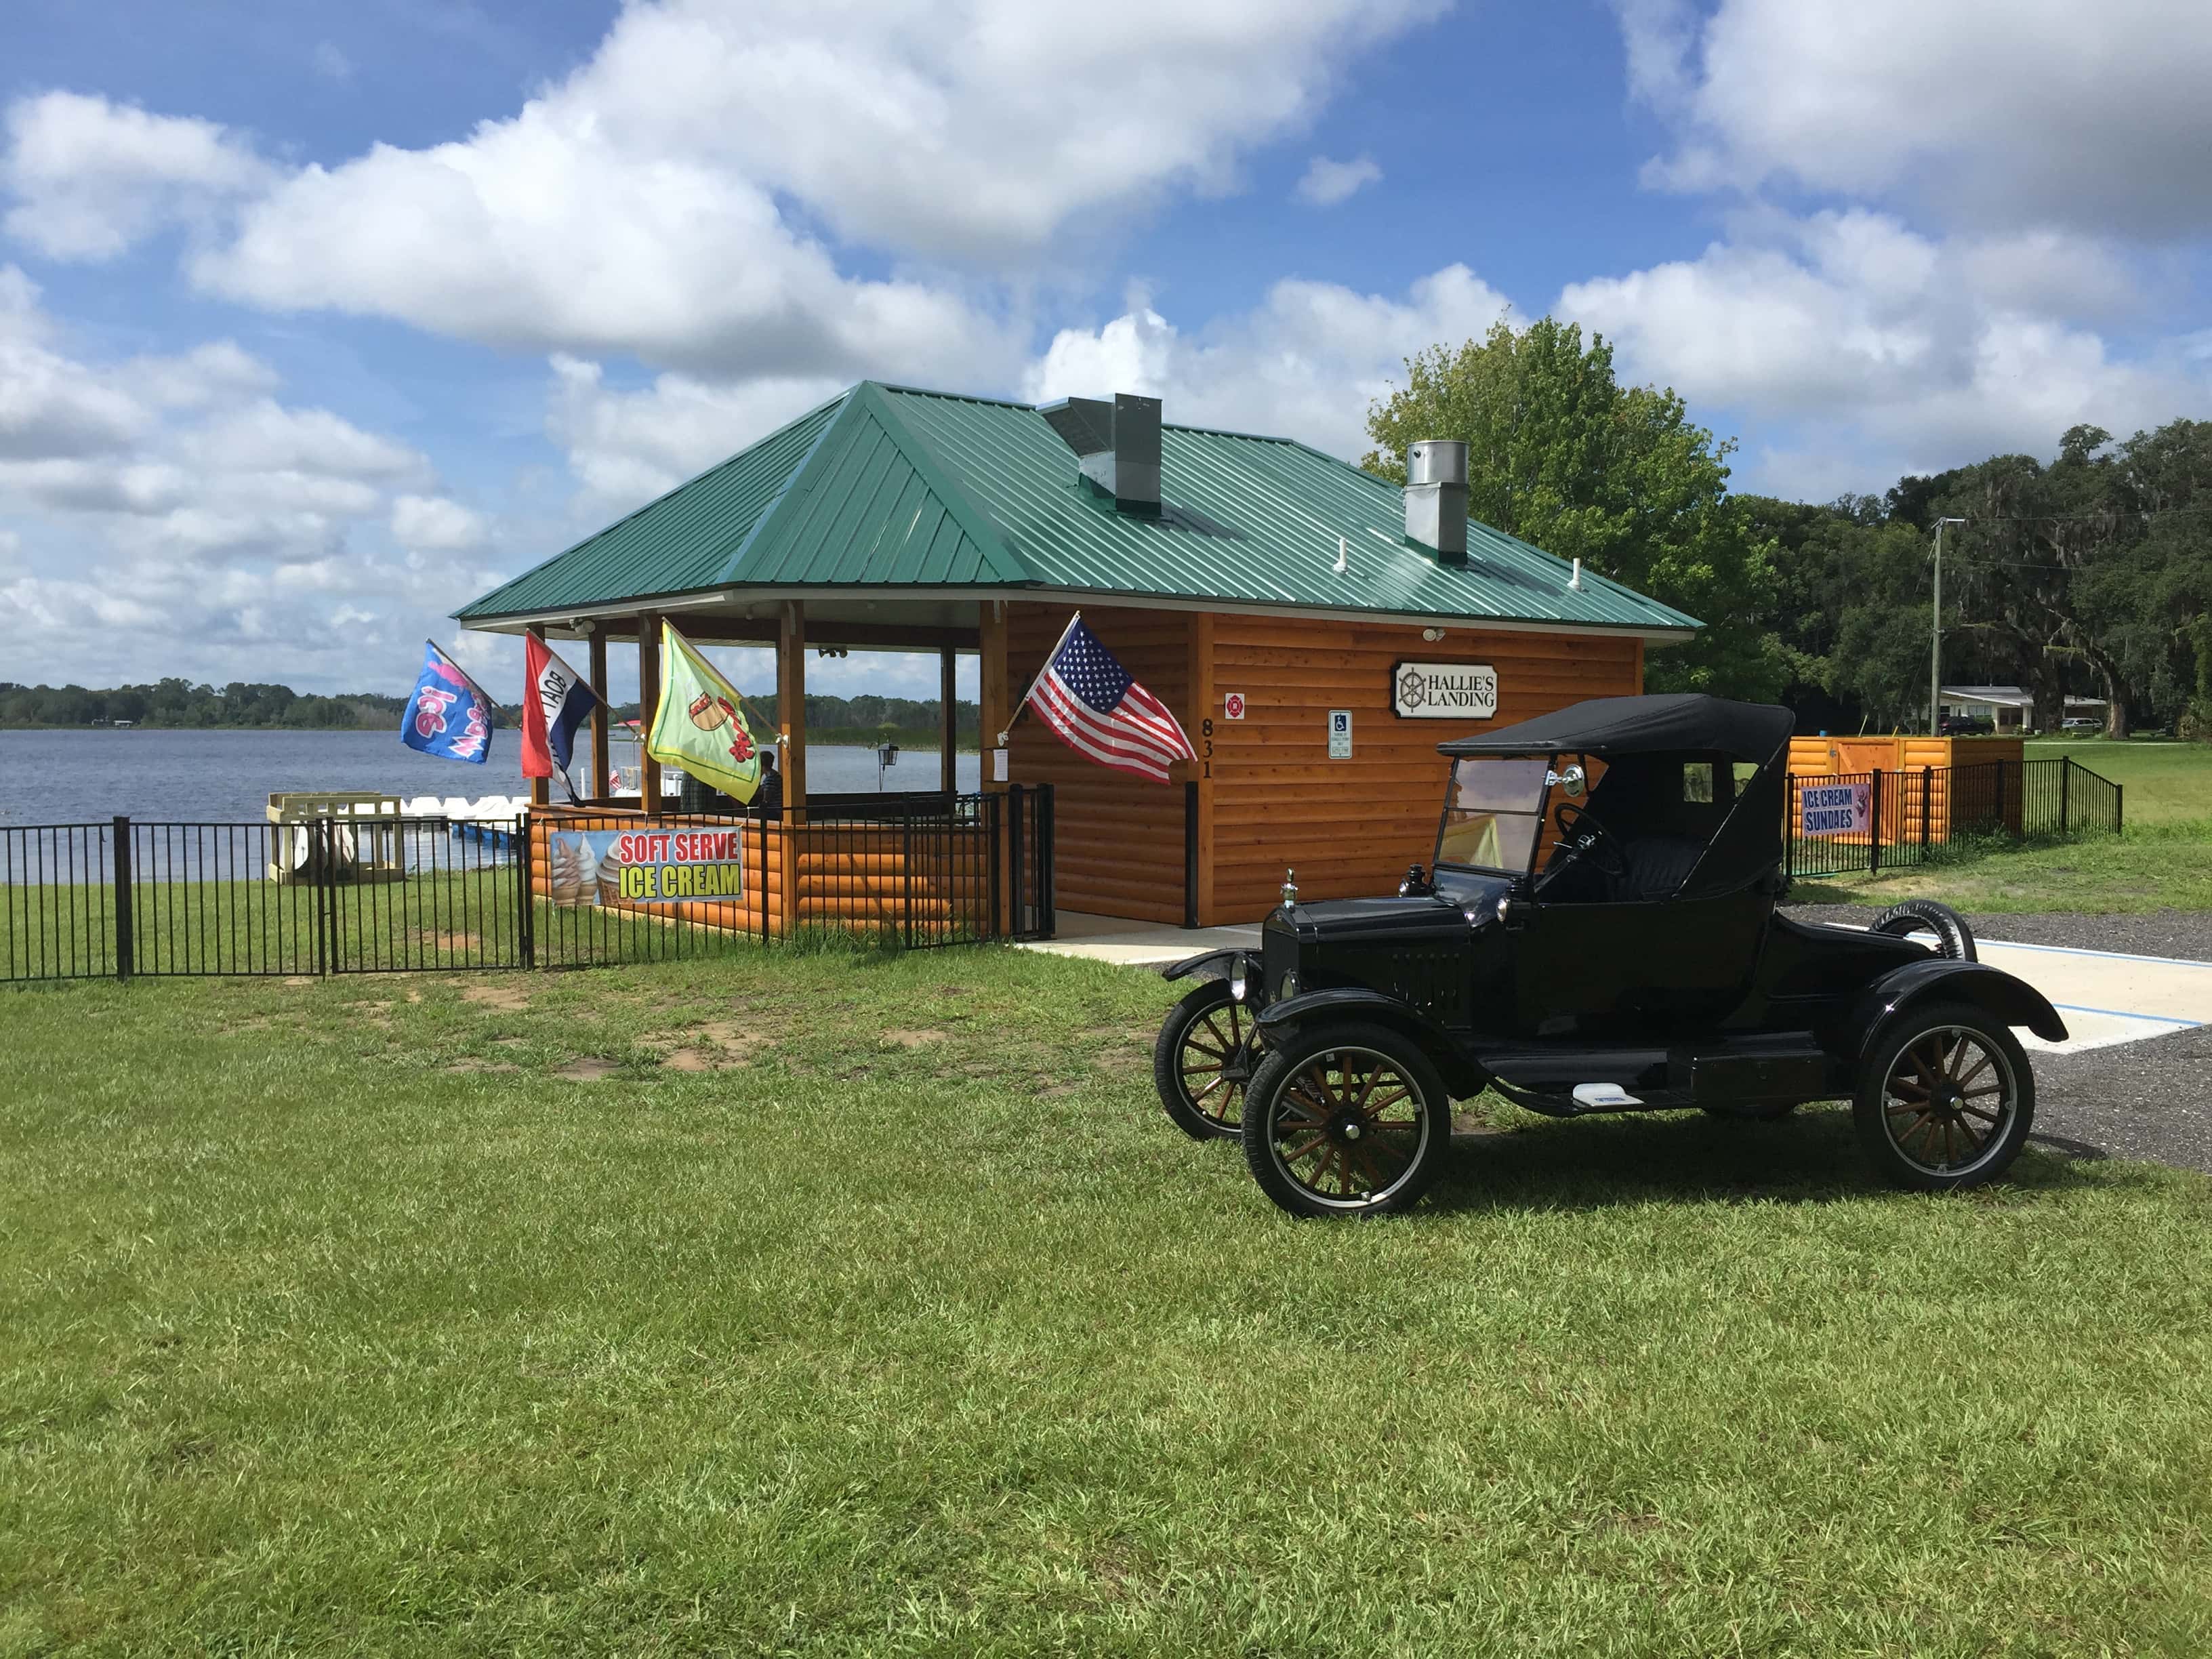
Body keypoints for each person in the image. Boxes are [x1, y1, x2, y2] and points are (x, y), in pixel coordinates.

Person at [753, 749, 784, 820]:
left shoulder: (770, 779)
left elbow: (766, 800)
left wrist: (759, 775)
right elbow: (759, 791)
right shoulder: (776, 775)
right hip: (776, 810)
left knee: (745, 813)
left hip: (774, 812)